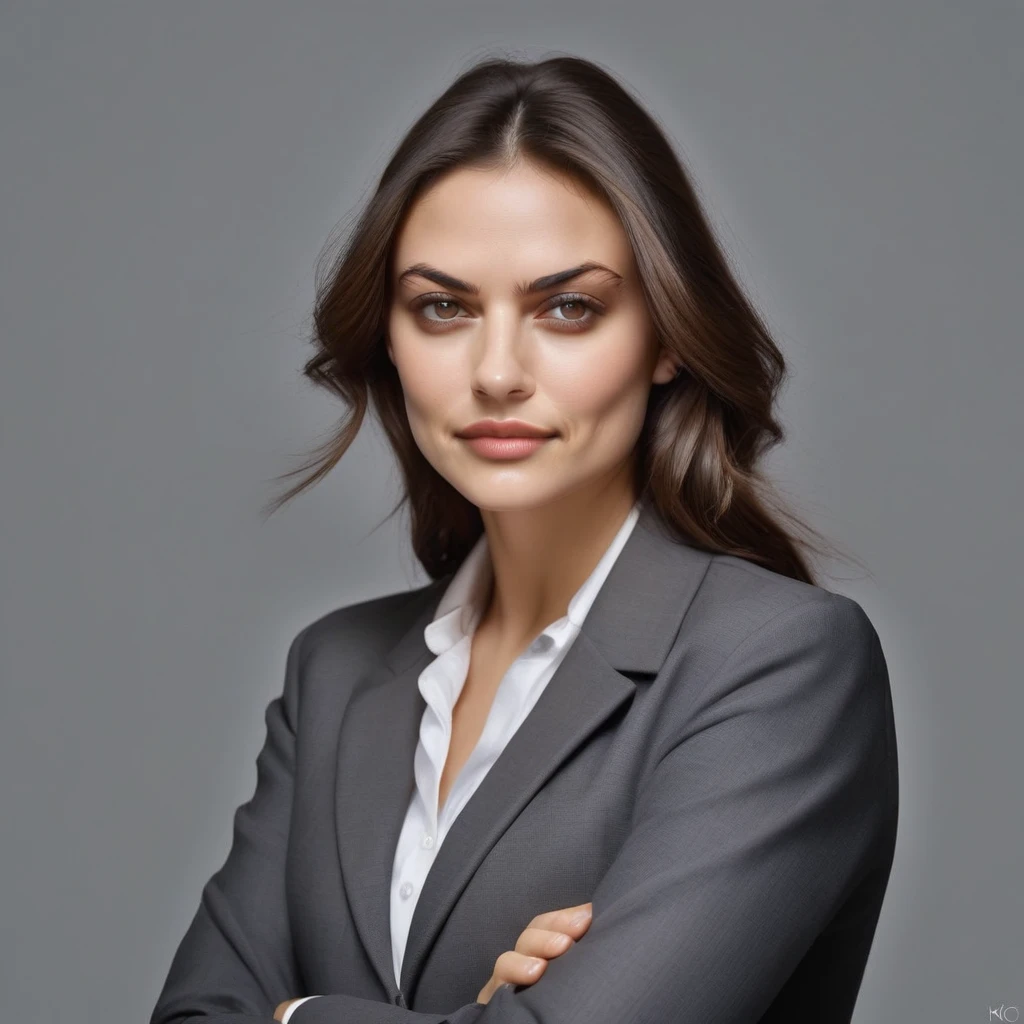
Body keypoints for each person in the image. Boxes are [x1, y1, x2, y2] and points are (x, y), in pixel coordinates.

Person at [150, 53, 898, 1024]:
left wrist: (293, 1015)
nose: (496, 371)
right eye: (443, 307)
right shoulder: (332, 673)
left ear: (665, 335)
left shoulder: (778, 665)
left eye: (567, 307)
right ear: (388, 336)